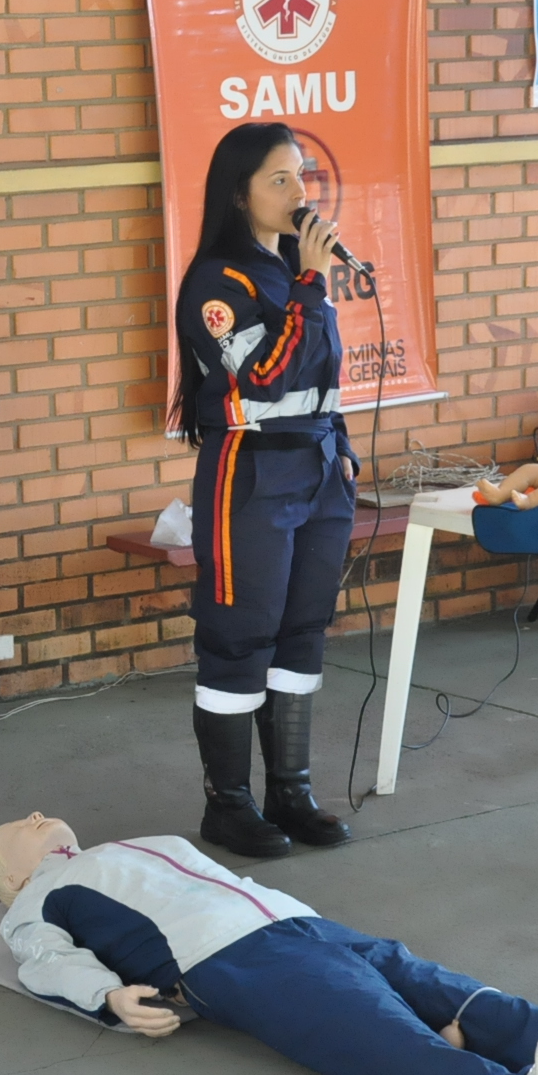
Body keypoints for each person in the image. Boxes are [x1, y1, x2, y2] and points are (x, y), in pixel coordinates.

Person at [0, 813, 538, 1075]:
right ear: (11, 877)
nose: (40, 816)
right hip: (230, 959)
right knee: (370, 1031)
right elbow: (43, 957)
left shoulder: (138, 842)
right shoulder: (34, 900)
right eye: (21, 828)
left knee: (438, 987)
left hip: (300, 923)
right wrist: (107, 994)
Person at [172, 123, 361, 858]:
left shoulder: (288, 269)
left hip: (317, 471)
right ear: (238, 193)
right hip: (250, 474)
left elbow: (319, 377)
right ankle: (229, 803)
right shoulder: (220, 281)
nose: (299, 192)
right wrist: (312, 286)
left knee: (302, 630)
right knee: (239, 635)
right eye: (279, 179)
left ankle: (292, 789)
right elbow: (265, 377)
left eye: (302, 176)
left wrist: (339, 447)